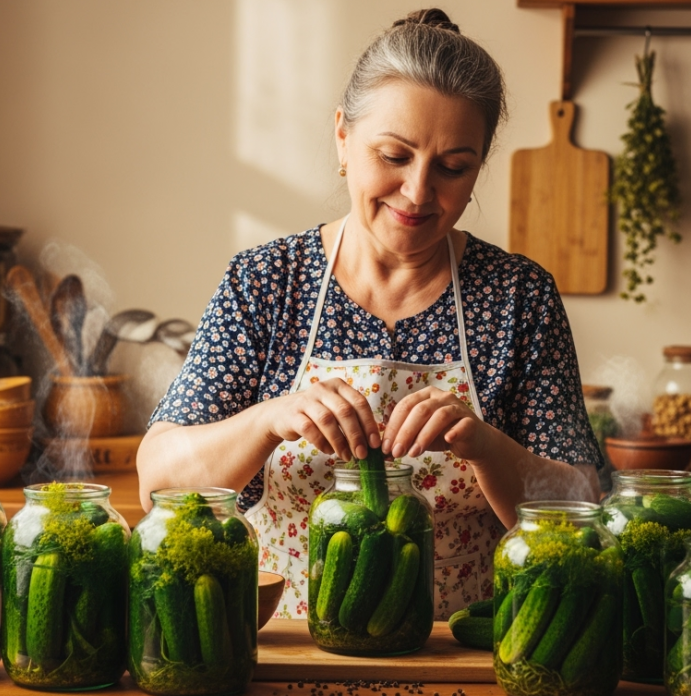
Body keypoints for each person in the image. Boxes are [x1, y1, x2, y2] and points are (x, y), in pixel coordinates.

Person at [139, 8, 602, 620]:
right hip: (287, 644)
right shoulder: (266, 283)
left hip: (465, 646)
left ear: (478, 168)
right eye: (393, 155)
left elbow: (585, 505)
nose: (417, 192)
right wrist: (268, 419)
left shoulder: (519, 297)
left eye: (453, 167)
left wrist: (487, 446)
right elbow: (157, 482)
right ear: (343, 137)